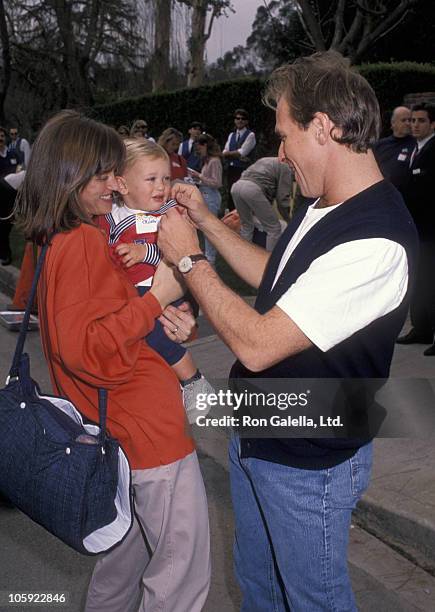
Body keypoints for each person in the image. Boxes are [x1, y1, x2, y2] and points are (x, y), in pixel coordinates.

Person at [157, 51, 418, 611]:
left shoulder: (376, 241)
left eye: (285, 135)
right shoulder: (323, 201)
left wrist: (188, 262)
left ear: (323, 128)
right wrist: (204, 226)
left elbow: (258, 342)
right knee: (261, 589)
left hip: (310, 460)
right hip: (264, 430)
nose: (280, 152)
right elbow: (274, 279)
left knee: (312, 600)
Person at [15, 110, 210, 612]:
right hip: (146, 425)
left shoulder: (65, 237)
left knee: (126, 555)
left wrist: (165, 313)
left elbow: (86, 328)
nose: (114, 183)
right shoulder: (83, 240)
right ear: (68, 173)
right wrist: (157, 297)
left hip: (118, 425)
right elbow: (91, 351)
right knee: (180, 571)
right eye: (102, 174)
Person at [98, 137, 213, 421]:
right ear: (122, 185)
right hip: (130, 295)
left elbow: (176, 254)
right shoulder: (109, 214)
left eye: (165, 178)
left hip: (162, 291)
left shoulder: (168, 214)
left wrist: (144, 252)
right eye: (151, 179)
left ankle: (194, 379)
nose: (161, 186)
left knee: (156, 334)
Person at [397, 103, 435, 355]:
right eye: (412, 120)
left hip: (432, 229)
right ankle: (421, 329)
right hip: (416, 229)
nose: (415, 125)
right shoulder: (413, 148)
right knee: (419, 282)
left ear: (433, 125)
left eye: (421, 121)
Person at [231, 156, 293, 252]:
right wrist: (289, 220)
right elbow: (282, 199)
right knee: (274, 228)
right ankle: (267, 262)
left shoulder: (266, 159)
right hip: (253, 189)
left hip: (236, 186)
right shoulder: (286, 167)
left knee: (247, 226)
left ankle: (244, 258)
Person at [188, 133, 223, 265]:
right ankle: (207, 255)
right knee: (203, 228)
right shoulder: (208, 160)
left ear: (205, 146)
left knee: (209, 229)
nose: (198, 151)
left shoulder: (215, 161)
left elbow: (217, 183)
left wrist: (200, 176)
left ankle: (211, 257)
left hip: (212, 197)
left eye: (199, 148)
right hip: (205, 195)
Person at [373, 106, 414, 191]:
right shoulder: (380, 145)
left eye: (410, 120)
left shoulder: (415, 145)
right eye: (403, 120)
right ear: (393, 123)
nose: (407, 123)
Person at [222, 108, 256, 210]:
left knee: (241, 195)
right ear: (234, 120)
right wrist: (236, 154)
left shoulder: (250, 135)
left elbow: (243, 152)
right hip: (231, 169)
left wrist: (230, 154)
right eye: (237, 118)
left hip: (243, 169)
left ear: (246, 121)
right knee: (231, 194)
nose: (240, 120)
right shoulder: (231, 135)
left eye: (243, 118)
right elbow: (224, 152)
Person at [0, 170, 26, 266]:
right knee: (3, 230)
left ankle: (4, 254)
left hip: (12, 190)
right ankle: (5, 255)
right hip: (7, 189)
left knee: (5, 227)